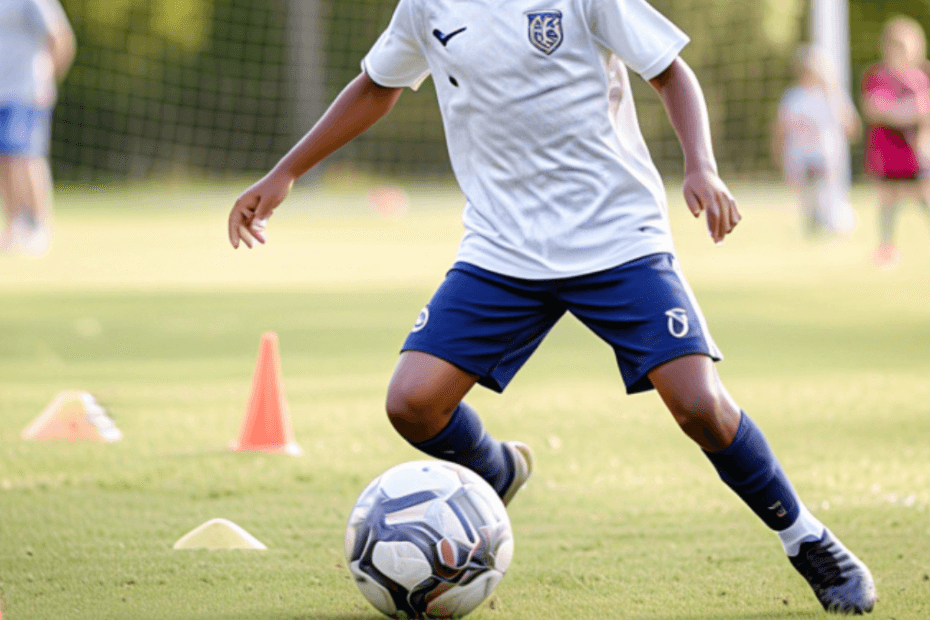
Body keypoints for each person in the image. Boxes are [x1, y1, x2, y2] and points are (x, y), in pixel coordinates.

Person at [228, 0, 876, 614]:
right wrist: (285, 171)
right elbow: (377, 84)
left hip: (616, 237)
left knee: (700, 405)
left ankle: (809, 540)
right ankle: (495, 468)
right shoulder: (427, 6)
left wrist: (700, 165)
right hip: (502, 247)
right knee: (413, 403)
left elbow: (670, 71)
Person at [0, 0, 75, 256]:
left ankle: (40, 227)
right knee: (5, 159)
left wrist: (48, 77)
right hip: (1, 94)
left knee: (26, 156)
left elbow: (62, 36)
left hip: (25, 92)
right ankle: (16, 227)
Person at [861, 15, 930, 267]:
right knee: (888, 200)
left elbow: (926, 113)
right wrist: (906, 112)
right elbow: (874, 108)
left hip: (916, 153)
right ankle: (886, 249)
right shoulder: (879, 77)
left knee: (925, 196)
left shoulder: (921, 78)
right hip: (888, 152)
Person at [773, 45, 860, 238]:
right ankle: (813, 228)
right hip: (800, 157)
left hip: (825, 156)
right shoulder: (793, 97)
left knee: (825, 194)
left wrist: (833, 93)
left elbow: (852, 128)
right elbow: (780, 129)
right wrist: (778, 154)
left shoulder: (832, 96)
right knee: (808, 197)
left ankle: (830, 225)